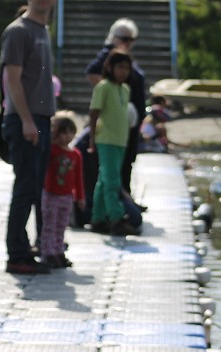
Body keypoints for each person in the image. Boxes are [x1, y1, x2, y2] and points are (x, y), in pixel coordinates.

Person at [0, 0, 57, 275]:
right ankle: (17, 254)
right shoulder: (18, 31)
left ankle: (30, 248)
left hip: (40, 119)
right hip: (25, 120)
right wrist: (26, 120)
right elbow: (13, 79)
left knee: (34, 189)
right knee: (24, 190)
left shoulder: (43, 29)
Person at [85, 18, 147, 205]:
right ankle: (117, 209)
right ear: (114, 37)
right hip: (115, 124)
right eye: (124, 38)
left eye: (131, 39)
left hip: (128, 121)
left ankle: (123, 199)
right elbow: (92, 74)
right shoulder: (109, 55)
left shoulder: (124, 57)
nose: (128, 43)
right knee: (113, 169)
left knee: (125, 161)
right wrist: (113, 98)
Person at [88, 49, 140, 237]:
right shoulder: (103, 87)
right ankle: (117, 218)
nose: (123, 71)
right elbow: (94, 113)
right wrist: (92, 138)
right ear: (110, 67)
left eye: (127, 68)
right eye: (120, 67)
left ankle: (98, 217)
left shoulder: (125, 90)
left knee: (104, 181)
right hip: (106, 140)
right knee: (112, 182)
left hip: (120, 141)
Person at [41, 112, 84, 268]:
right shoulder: (51, 151)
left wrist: (80, 196)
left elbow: (78, 178)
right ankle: (47, 253)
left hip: (66, 196)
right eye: (63, 133)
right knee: (49, 226)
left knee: (61, 226)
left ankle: (59, 251)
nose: (67, 137)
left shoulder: (75, 154)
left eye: (70, 132)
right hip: (50, 193)